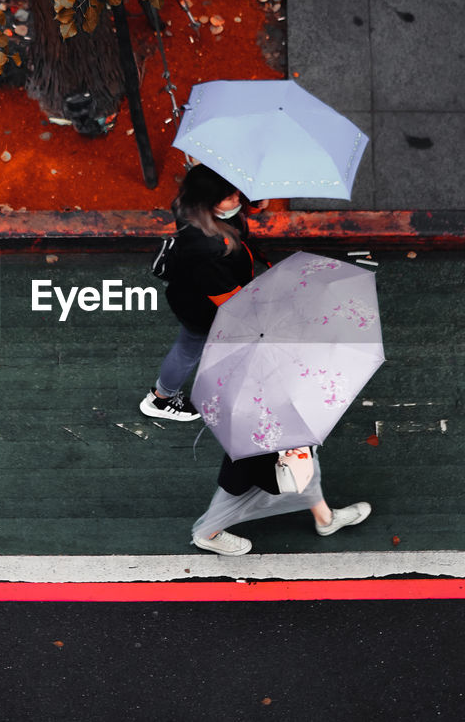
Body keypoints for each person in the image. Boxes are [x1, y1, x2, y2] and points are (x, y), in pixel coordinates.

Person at [139, 164, 266, 421]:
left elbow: (241, 210)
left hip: (194, 294)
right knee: (189, 348)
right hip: (201, 309)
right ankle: (161, 399)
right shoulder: (206, 249)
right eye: (230, 197)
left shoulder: (192, 207)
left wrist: (253, 200)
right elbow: (228, 298)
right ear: (210, 203)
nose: (237, 200)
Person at [191, 447, 371, 556]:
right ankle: (209, 532)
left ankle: (325, 518)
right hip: (261, 425)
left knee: (301, 462)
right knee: (248, 475)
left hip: (270, 420)